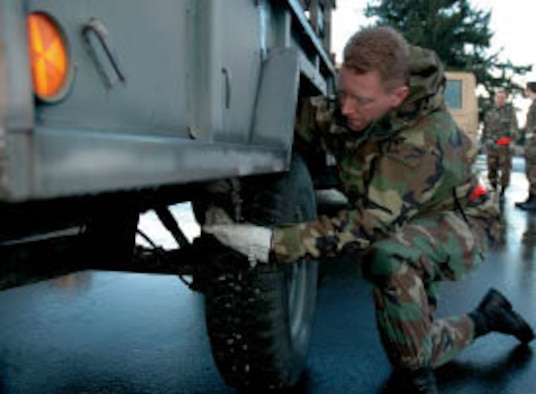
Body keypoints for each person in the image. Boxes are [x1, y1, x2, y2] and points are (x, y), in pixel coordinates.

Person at [203, 26, 534, 393]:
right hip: (406, 217)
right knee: (407, 319)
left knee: (390, 270)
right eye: (342, 93)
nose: (345, 109)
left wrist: (268, 242)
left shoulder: (422, 140)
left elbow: (369, 226)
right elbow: (285, 123)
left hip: (460, 221)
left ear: (399, 96)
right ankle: (421, 328)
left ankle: (485, 318)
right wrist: (224, 175)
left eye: (361, 100)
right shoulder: (351, 108)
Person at [481, 89, 519, 198]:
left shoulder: (510, 112)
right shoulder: (490, 113)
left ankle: (503, 189)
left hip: (504, 146)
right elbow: (485, 128)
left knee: (505, 169)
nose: (500, 100)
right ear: (494, 98)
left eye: (502, 98)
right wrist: (484, 141)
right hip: (491, 146)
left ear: (505, 99)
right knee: (491, 168)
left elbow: (514, 128)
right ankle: (493, 187)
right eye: (498, 97)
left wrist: (511, 142)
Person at [515, 81, 536, 210]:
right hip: (531, 145)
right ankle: (531, 197)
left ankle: (534, 201)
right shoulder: (533, 105)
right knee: (530, 171)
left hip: (534, 145)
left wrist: (532, 134)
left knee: (534, 172)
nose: (525, 92)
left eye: (526, 89)